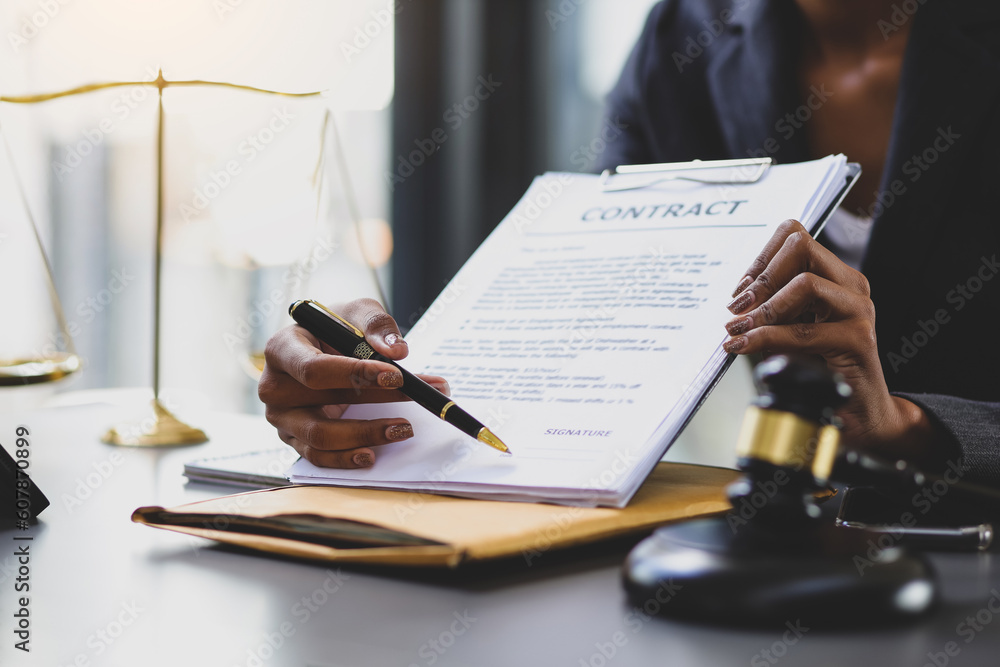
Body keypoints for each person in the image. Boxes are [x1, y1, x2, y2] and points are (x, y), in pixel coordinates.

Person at [259, 0, 999, 483]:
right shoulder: (686, 36)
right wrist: (379, 392)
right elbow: (587, 303)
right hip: (790, 549)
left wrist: (905, 427)